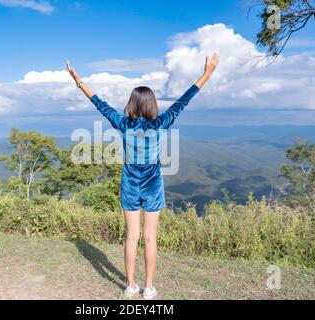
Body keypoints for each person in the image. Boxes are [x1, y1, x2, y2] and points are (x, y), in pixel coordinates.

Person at [67, 53, 219, 299]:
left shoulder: (123, 123)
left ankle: (130, 285)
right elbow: (184, 100)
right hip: (153, 185)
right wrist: (208, 73)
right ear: (151, 104)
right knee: (150, 237)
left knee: (132, 236)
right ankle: (148, 287)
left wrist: (78, 81)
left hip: (129, 184)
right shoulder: (161, 123)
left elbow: (99, 103)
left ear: (132, 103)